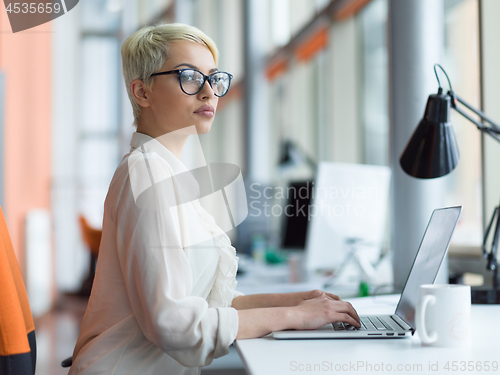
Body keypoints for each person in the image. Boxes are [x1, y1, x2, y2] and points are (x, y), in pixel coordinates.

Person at [68, 23, 360, 375]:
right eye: (189, 77)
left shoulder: (166, 171)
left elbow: (210, 303)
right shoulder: (148, 175)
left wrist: (299, 301)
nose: (209, 93)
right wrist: (294, 316)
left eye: (214, 78)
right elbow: (175, 324)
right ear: (142, 92)